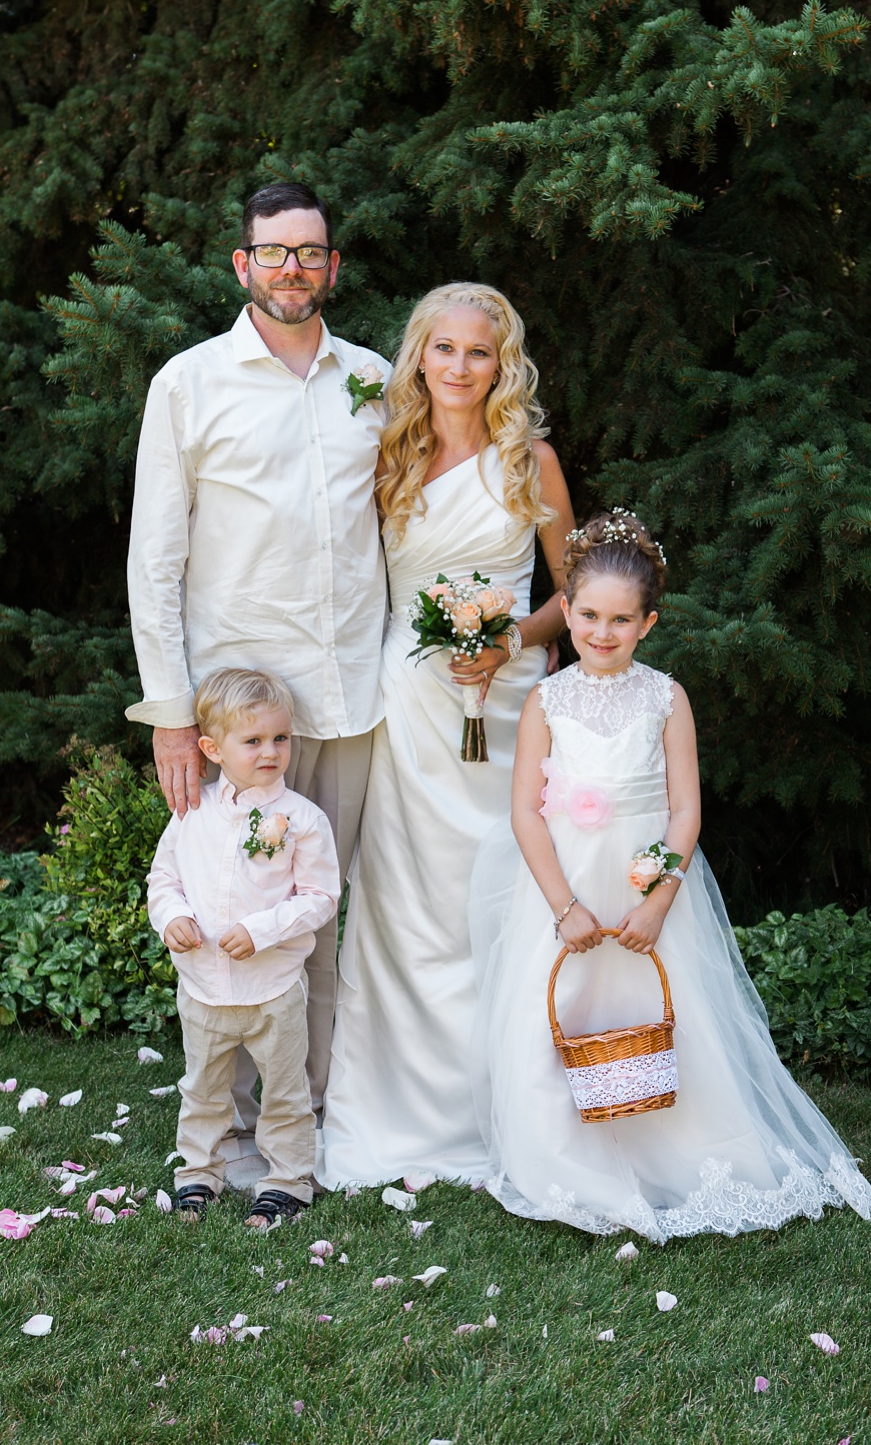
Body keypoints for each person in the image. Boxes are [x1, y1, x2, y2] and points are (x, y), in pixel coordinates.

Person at [469, 510, 871, 1238]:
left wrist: (660, 901)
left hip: (641, 883)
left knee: (663, 1013)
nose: (601, 633)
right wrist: (562, 906)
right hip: (565, 887)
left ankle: (677, 1152)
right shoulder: (547, 700)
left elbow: (685, 812)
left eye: (620, 621)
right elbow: (527, 814)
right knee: (557, 1016)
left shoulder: (666, 697)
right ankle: (569, 1163)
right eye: (588, 615)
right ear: (565, 612)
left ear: (648, 624)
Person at [128, 182, 385, 1132]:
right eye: (273, 252)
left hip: (356, 697)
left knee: (319, 915)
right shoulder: (188, 383)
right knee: (228, 906)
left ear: (333, 266)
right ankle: (227, 1122)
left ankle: (311, 1114)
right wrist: (171, 713)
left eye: (309, 252)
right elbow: (153, 561)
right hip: (236, 718)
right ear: (243, 264)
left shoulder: (377, 378)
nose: (292, 268)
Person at [317, 283, 575, 1189]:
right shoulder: (386, 455)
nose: (462, 368)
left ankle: (522, 1104)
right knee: (406, 905)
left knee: (503, 898)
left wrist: (511, 638)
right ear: (418, 355)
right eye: (446, 349)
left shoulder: (530, 461)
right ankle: (401, 1112)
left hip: (508, 709)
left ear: (503, 365)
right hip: (413, 707)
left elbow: (576, 594)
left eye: (481, 353)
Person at [146, 669, 340, 1229]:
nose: (271, 752)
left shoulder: (301, 820)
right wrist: (174, 917)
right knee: (203, 1087)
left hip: (272, 986)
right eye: (252, 741)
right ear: (211, 749)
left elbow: (320, 896)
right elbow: (164, 881)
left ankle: (286, 1181)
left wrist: (264, 930)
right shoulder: (191, 813)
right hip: (204, 985)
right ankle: (197, 1173)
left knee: (284, 1089)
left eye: (280, 739)